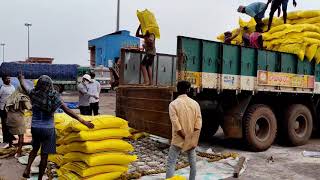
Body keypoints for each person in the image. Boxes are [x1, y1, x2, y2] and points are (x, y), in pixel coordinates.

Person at [18, 74, 94, 180]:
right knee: (45, 155)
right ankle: (40, 178)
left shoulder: (33, 93)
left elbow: (24, 86)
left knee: (34, 149)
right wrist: (83, 121)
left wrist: (21, 78)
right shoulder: (54, 96)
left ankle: (27, 168)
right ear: (50, 85)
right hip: (48, 129)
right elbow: (67, 110)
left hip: (35, 127)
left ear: (38, 84)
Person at [166, 81, 202, 180]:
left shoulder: (173, 104)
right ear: (188, 90)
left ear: (177, 89)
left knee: (171, 163)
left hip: (178, 139)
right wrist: (191, 138)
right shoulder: (195, 104)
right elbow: (198, 124)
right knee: (192, 163)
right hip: (190, 139)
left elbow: (176, 125)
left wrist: (185, 137)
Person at [0, 75, 16, 148]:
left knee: (11, 124)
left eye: (9, 78)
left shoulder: (12, 87)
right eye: (7, 78)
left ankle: (11, 138)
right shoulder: (2, 88)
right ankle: (6, 140)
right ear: (3, 80)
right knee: (5, 124)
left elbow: (15, 96)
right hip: (3, 109)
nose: (9, 79)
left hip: (11, 108)